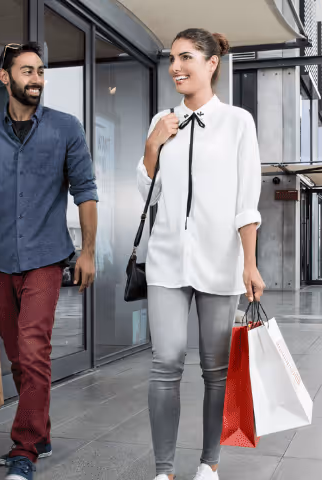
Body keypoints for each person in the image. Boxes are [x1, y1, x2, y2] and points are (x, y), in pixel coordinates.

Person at [0, 42, 99, 480]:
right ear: (5, 78)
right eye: (27, 71)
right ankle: (42, 433)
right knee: (17, 354)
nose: (36, 79)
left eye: (41, 71)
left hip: (46, 258)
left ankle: (25, 449)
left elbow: (85, 191)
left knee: (33, 349)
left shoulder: (67, 128)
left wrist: (86, 251)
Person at [138, 28, 264, 480]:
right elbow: (146, 190)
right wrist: (154, 142)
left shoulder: (237, 122)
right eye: (172, 58)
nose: (176, 67)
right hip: (167, 259)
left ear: (212, 64)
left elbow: (247, 201)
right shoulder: (163, 118)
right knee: (165, 360)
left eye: (186, 57)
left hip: (220, 260)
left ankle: (209, 462)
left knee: (215, 369)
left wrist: (250, 263)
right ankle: (164, 470)